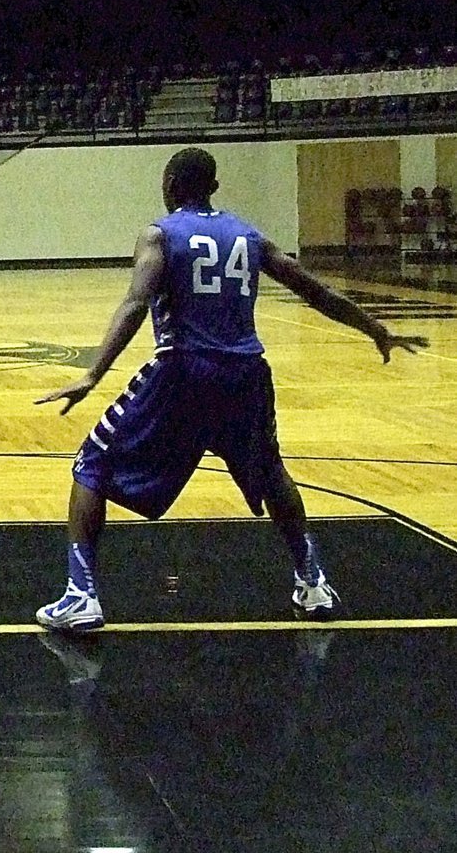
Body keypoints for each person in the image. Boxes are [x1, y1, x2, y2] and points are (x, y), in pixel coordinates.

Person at [35, 147, 428, 631]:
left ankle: (81, 596)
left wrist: (93, 373)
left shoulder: (159, 233)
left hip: (184, 371)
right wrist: (375, 329)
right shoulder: (249, 235)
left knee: (91, 463)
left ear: (172, 182)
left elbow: (137, 302)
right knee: (270, 472)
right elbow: (315, 290)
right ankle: (313, 583)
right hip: (246, 374)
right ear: (213, 188)